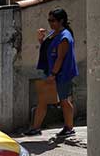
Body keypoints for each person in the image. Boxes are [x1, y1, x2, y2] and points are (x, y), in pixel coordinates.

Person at [24, 8, 78, 137]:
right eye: (49, 20)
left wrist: (53, 75)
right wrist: (41, 40)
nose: (50, 23)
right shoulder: (54, 33)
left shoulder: (64, 37)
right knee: (43, 100)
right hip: (50, 72)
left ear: (61, 21)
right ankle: (36, 128)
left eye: (53, 21)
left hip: (60, 74)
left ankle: (69, 128)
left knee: (64, 100)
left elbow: (60, 58)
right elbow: (49, 49)